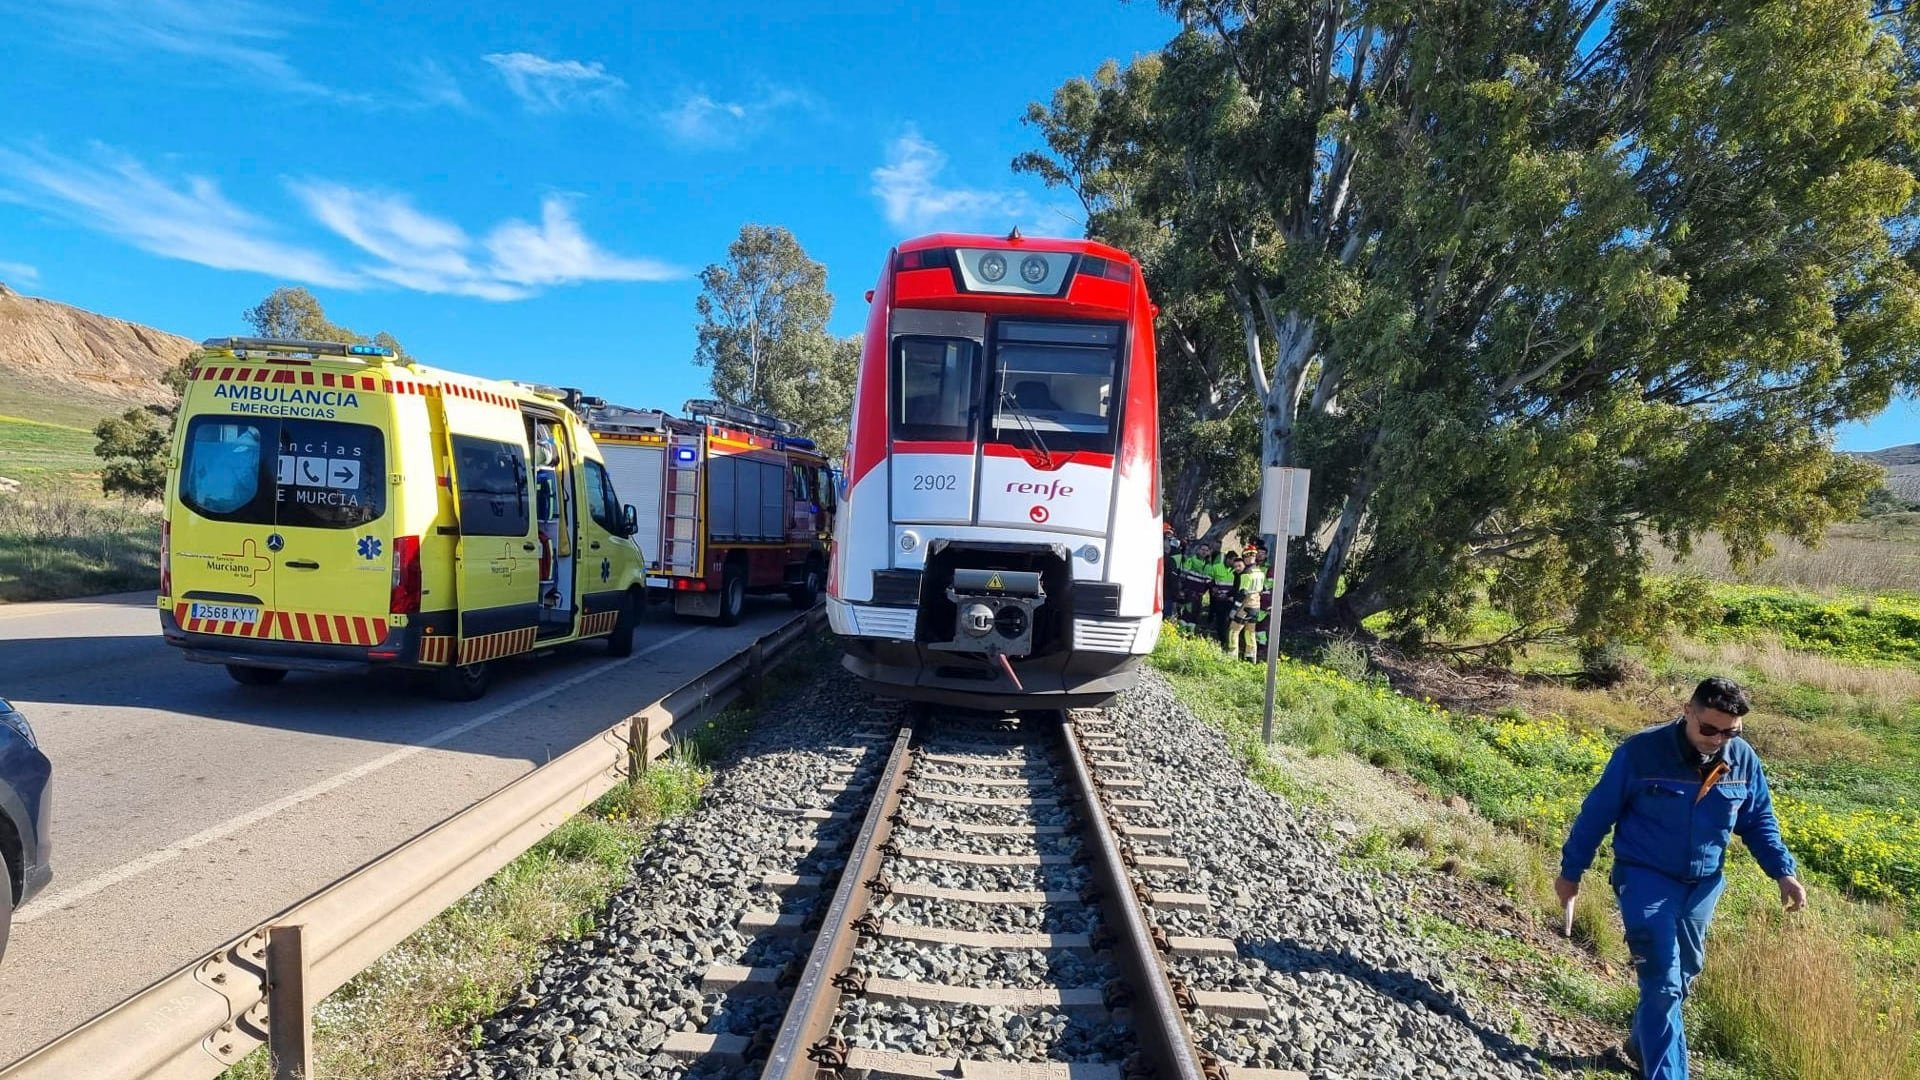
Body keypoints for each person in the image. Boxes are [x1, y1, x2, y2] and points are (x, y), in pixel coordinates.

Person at [1555, 677, 1807, 1080]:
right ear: (1687, 711)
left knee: (1684, 974)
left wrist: (1783, 872)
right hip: (1645, 879)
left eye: (1731, 731)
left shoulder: (1741, 759)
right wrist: (1571, 874)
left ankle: (1642, 1043)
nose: (1718, 739)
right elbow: (1596, 814)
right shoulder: (1640, 753)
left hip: (1703, 886)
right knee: (1662, 983)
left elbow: (1758, 819)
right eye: (1709, 728)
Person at [1227, 553, 1265, 661]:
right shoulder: (1260, 572)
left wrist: (1234, 609)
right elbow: (1263, 589)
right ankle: (1250, 657)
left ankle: (1231, 656)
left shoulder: (1246, 573)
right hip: (1256, 606)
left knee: (1233, 630)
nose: (1237, 568)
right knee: (1250, 632)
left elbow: (1243, 593)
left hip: (1245, 606)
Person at [1207, 548, 1238, 645]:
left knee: (1228, 620)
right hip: (1218, 599)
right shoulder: (1216, 567)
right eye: (1233, 561)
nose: (1235, 563)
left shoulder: (1236, 571)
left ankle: (1225, 639)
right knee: (1220, 619)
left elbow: (1237, 586)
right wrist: (1213, 587)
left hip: (1229, 599)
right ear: (1228, 559)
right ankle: (1222, 640)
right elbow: (1208, 579)